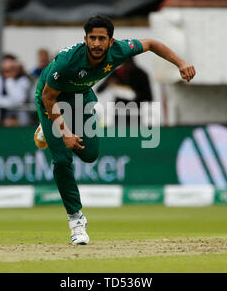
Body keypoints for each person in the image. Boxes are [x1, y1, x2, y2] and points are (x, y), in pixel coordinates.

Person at [33, 15, 196, 245]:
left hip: (80, 97)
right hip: (51, 99)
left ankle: (47, 128)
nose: (97, 44)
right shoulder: (67, 61)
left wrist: (181, 63)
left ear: (111, 41)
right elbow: (49, 96)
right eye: (92, 38)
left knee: (89, 155)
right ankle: (76, 220)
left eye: (102, 38)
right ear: (85, 39)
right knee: (61, 160)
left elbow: (151, 44)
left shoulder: (120, 50)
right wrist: (65, 132)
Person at [0, 55, 31, 126]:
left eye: (11, 68)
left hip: (19, 122)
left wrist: (9, 80)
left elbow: (20, 99)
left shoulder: (23, 80)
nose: (7, 71)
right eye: (5, 69)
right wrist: (12, 102)